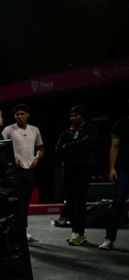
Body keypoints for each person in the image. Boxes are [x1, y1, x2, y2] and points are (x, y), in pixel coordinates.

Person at [56, 105, 98, 246]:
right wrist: (78, 145)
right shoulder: (66, 132)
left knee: (80, 200)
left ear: (82, 116)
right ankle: (75, 231)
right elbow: (57, 151)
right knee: (70, 201)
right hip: (67, 169)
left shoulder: (91, 130)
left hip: (83, 168)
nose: (73, 118)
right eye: (71, 116)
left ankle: (80, 232)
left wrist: (67, 147)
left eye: (76, 115)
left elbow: (88, 145)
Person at [2, 104, 45, 243]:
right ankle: (12, 234)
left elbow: (41, 148)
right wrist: (11, 156)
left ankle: (23, 233)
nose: (19, 117)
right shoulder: (9, 130)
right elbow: (0, 147)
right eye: (17, 114)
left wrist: (37, 158)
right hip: (14, 172)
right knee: (14, 203)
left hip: (29, 171)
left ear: (27, 115)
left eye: (22, 114)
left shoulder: (35, 130)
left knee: (25, 204)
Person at [99, 100, 129, 250]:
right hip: (124, 169)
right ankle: (109, 239)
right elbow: (114, 147)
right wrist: (112, 168)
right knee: (117, 204)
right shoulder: (121, 124)